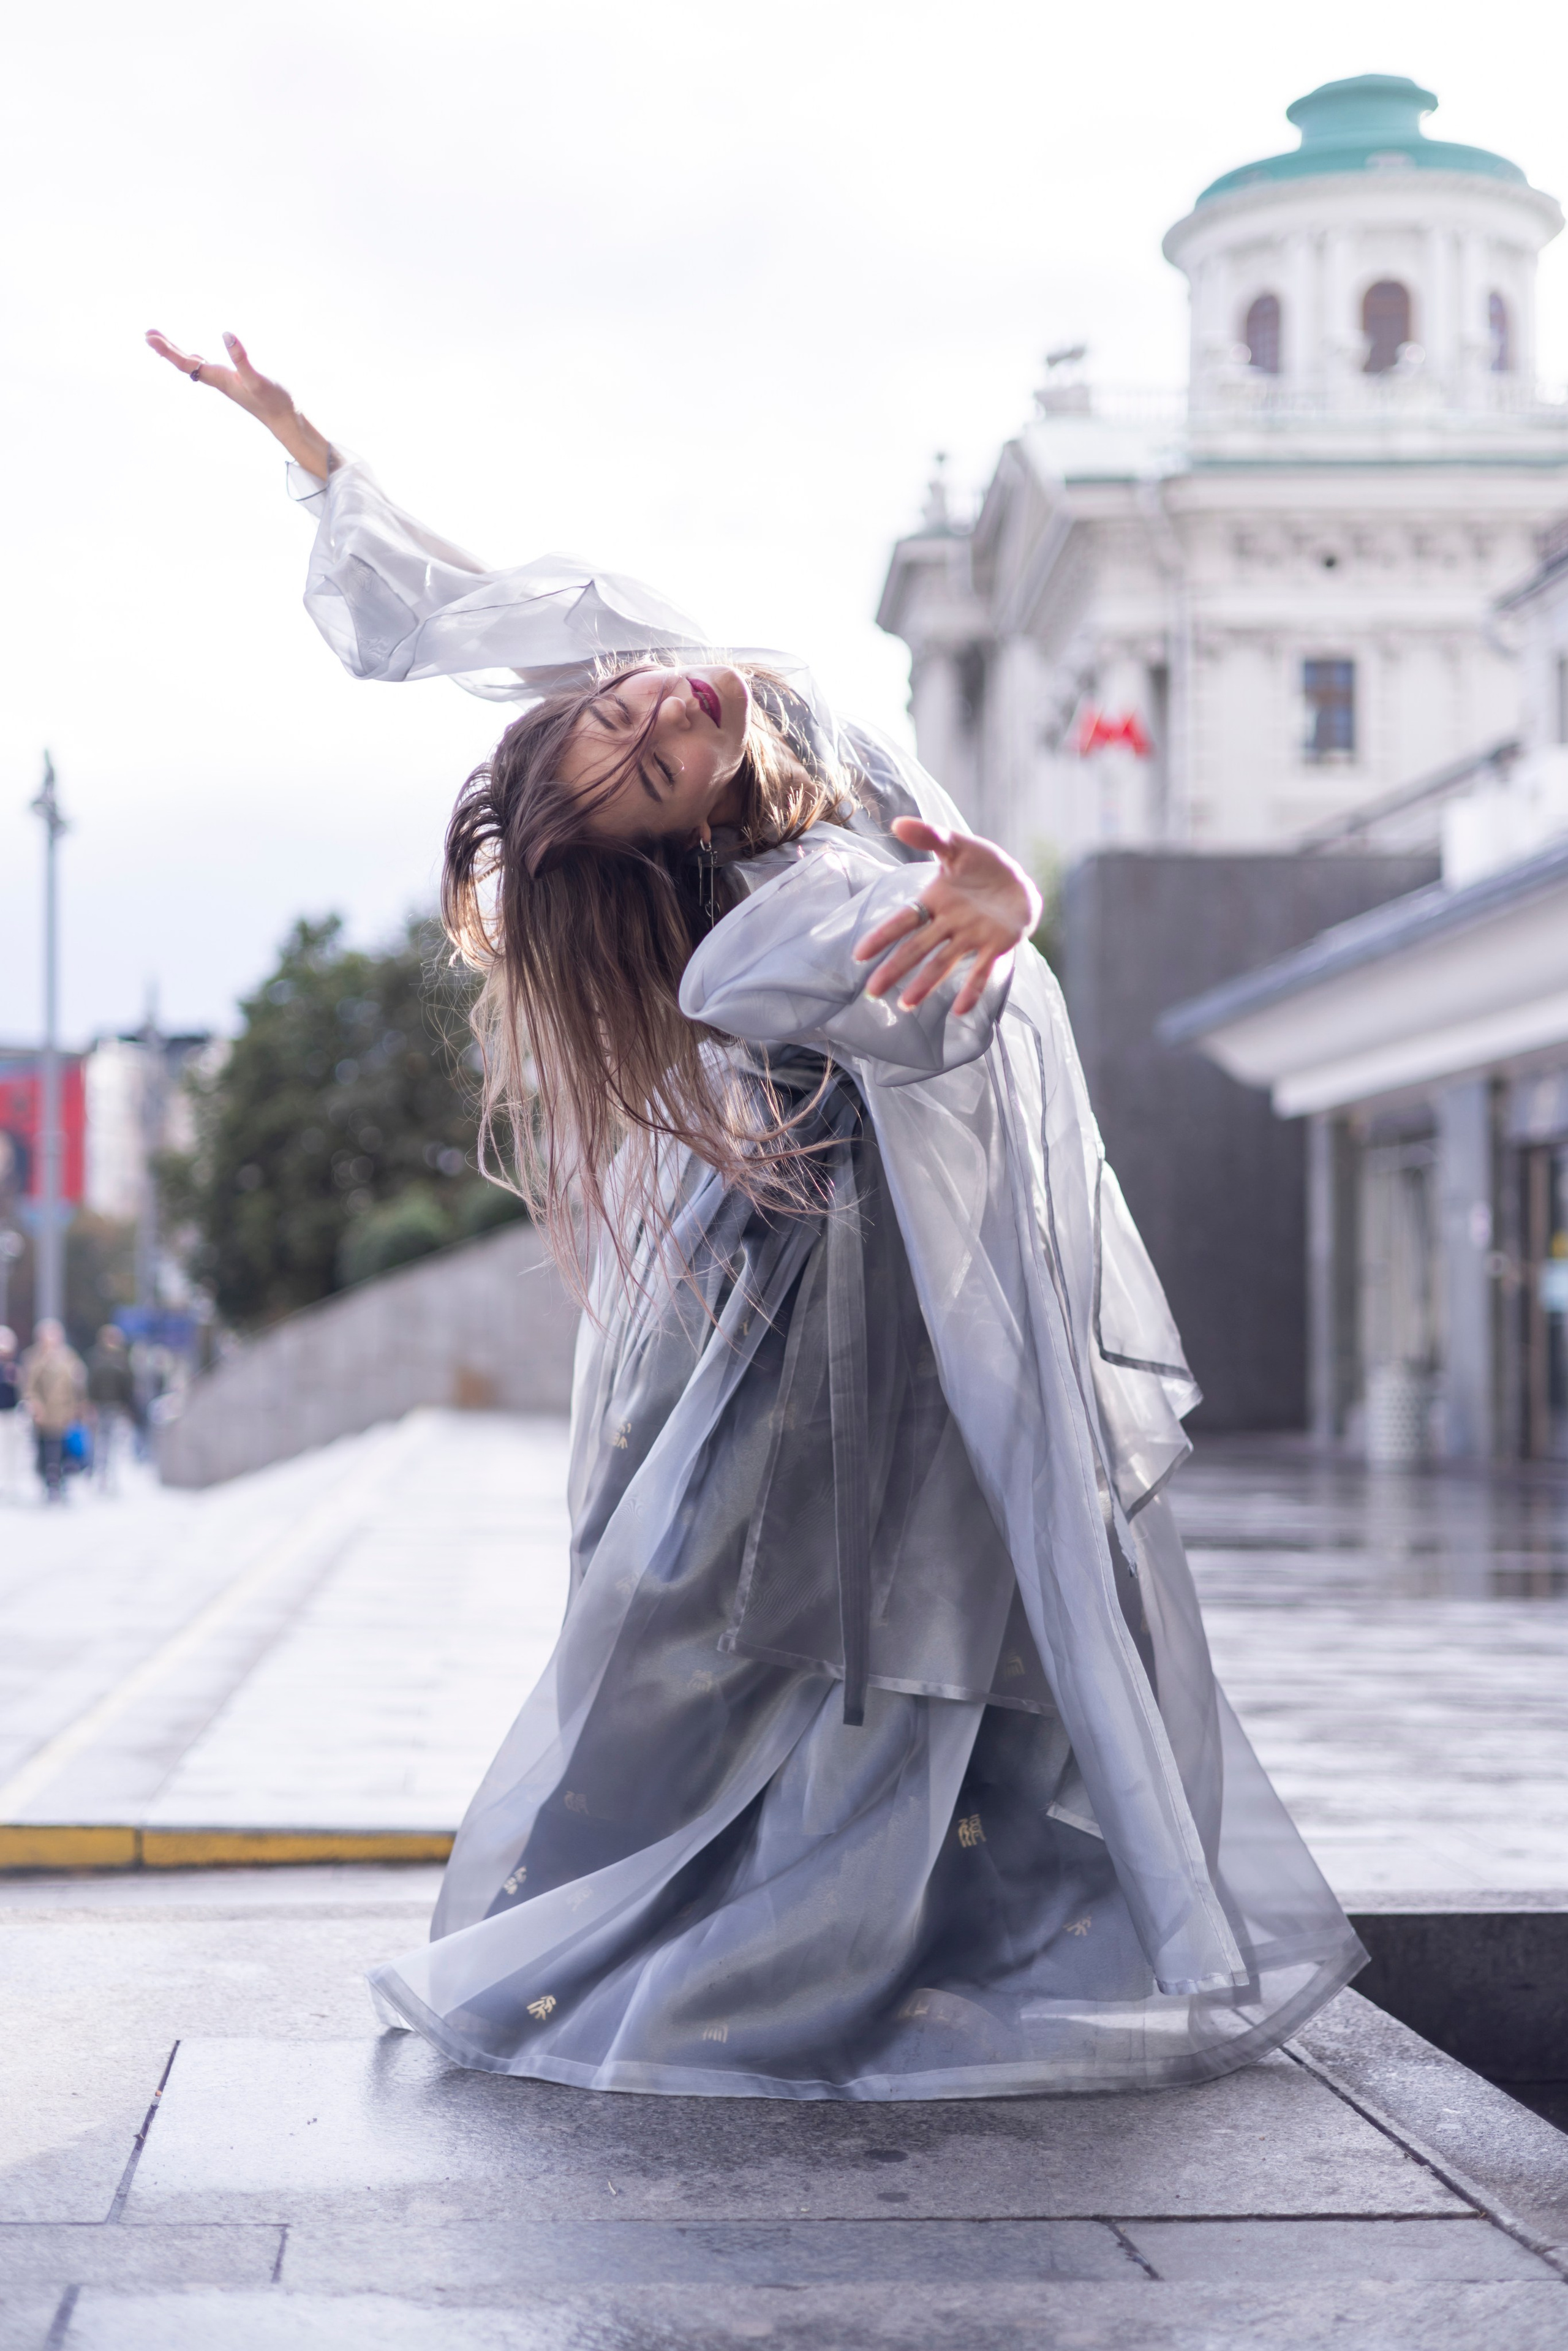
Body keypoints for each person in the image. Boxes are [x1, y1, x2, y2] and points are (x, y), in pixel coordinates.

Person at [148, 328, 1365, 2100]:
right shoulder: (761, 918)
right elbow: (920, 993)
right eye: (642, 763)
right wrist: (996, 908)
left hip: (921, 1258)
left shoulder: (673, 670)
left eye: (631, 713)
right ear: (668, 839)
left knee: (965, 1620)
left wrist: (301, 440)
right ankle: (748, 1940)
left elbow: (452, 613)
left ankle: (951, 1923)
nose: (662, 717)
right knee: (809, 1623)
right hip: (842, 1296)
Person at [21, 1318, 87, 1506]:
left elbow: (76, 1386)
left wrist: (79, 1407)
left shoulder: (69, 1357)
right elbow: (29, 1387)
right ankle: (47, 1480)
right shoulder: (33, 1358)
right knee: (44, 1449)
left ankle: (59, 1481)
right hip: (42, 1415)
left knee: (61, 1449)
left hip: (63, 1413)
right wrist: (34, 1404)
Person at [86, 1324, 137, 1490]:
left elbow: (128, 1385)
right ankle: (99, 1477)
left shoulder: (122, 1359)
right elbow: (90, 1383)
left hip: (116, 1406)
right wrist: (89, 1404)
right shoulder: (95, 1357)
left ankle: (114, 1478)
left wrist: (127, 1406)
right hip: (99, 1405)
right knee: (99, 1443)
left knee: (116, 1443)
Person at [0, 1327, 26, 1501]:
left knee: (14, 1451)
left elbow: (24, 1388)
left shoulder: (17, 1364)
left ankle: (13, 1483)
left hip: (13, 1412)